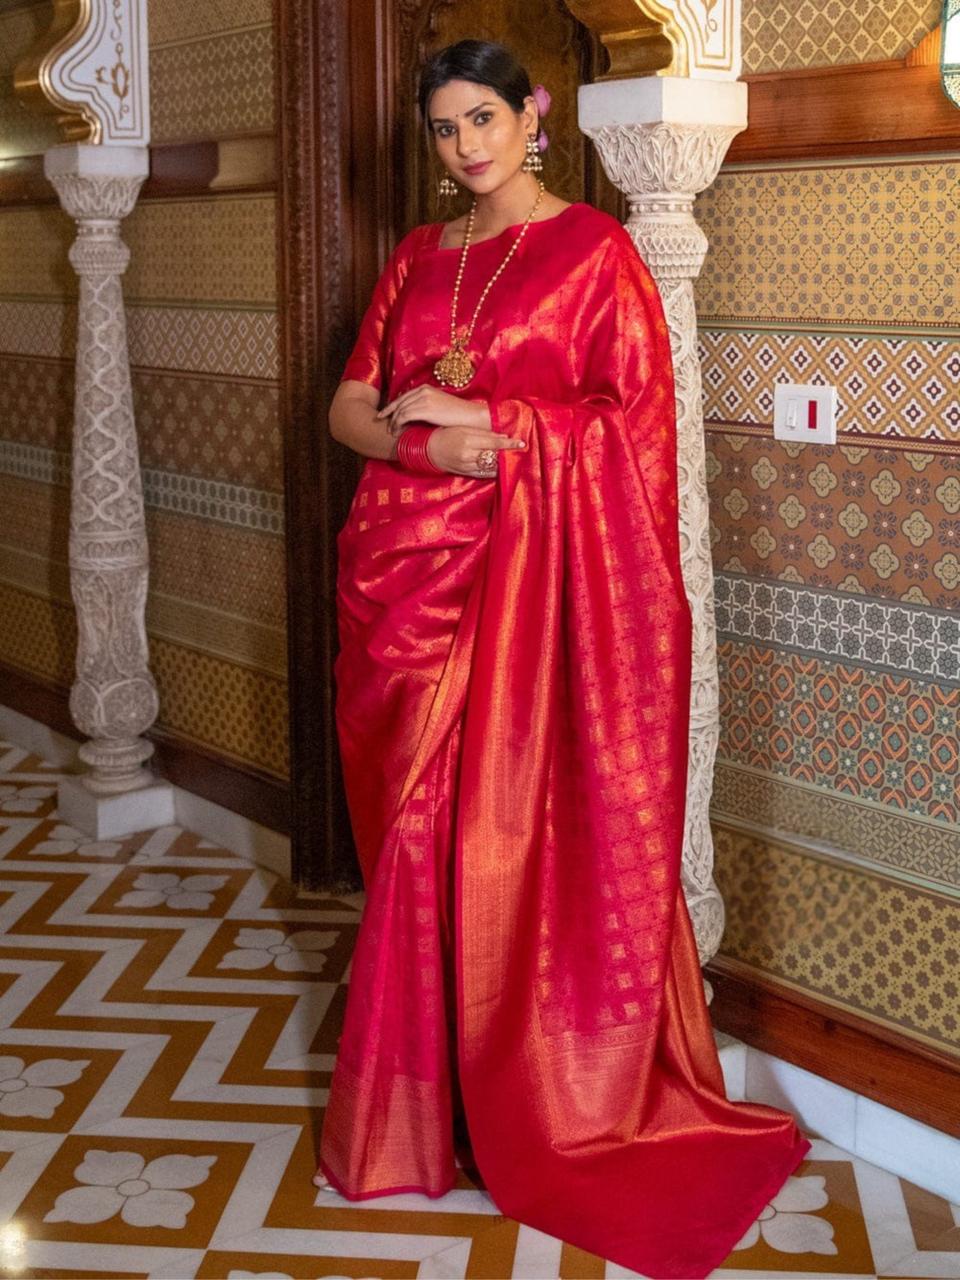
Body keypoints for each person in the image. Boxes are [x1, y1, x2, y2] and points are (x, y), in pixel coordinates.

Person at [313, 38, 810, 1280]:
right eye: (444, 128)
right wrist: (425, 449)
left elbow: (635, 428)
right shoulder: (419, 257)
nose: (466, 145)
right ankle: (429, 1105)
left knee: (506, 836)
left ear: (532, 116)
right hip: (406, 584)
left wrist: (491, 424)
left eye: (483, 118)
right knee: (417, 837)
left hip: (538, 589)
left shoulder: (594, 252)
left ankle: (537, 1093)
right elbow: (351, 405)